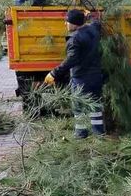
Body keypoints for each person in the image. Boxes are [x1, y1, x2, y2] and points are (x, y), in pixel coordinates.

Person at [44, 9, 104, 138]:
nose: (65, 24)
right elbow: (97, 22)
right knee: (95, 105)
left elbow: (71, 60)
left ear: (74, 23)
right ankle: (99, 134)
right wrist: (90, 15)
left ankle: (81, 134)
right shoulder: (94, 30)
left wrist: (54, 73)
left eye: (67, 21)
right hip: (96, 76)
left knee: (78, 106)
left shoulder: (75, 39)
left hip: (81, 78)